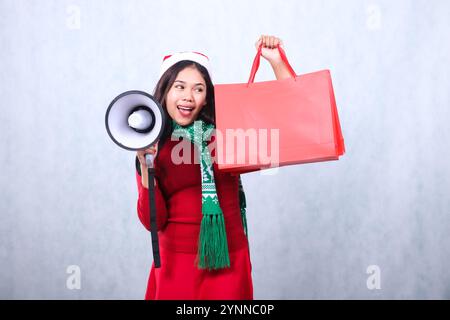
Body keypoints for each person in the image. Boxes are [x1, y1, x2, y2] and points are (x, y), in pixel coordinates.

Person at [135, 35, 292, 300]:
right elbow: (153, 221)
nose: (188, 97)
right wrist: (145, 168)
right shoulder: (150, 146)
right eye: (179, 87)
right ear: (165, 92)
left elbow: (288, 121)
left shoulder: (227, 135)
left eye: (198, 89)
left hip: (227, 260)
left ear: (207, 97)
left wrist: (276, 61)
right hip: (176, 265)